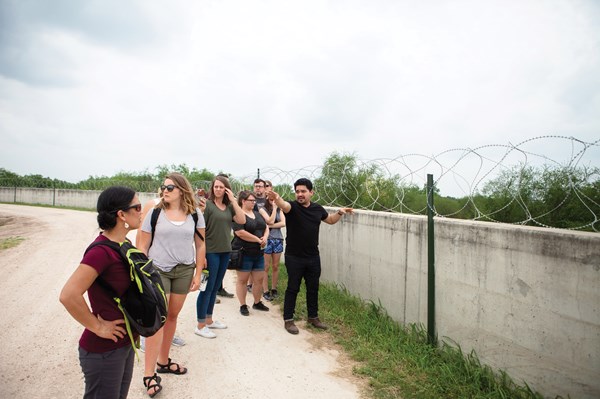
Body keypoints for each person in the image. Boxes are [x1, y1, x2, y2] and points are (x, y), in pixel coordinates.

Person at [60, 186, 143, 398]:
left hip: (124, 344)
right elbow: (69, 295)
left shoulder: (124, 243)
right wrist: (97, 326)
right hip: (104, 350)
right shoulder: (101, 252)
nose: (141, 212)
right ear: (121, 214)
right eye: (138, 207)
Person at [137, 172, 206, 397]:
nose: (164, 191)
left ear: (182, 190)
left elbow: (200, 245)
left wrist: (198, 273)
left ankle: (163, 361)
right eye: (163, 187)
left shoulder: (194, 214)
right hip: (158, 270)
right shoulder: (155, 213)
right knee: (158, 319)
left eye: (169, 188)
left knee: (173, 316)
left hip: (184, 270)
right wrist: (142, 275)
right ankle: (149, 374)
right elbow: (142, 246)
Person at [267, 178, 353, 335]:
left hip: (313, 257)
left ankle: (313, 317)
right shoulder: (292, 207)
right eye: (297, 191)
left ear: (311, 192)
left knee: (313, 288)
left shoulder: (317, 209)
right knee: (293, 288)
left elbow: (331, 220)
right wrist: (277, 198)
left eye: (303, 191)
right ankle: (288, 319)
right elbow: (283, 205)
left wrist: (340, 212)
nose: (300, 194)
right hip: (294, 257)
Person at [194, 175, 245, 338]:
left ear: (226, 189)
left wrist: (234, 201)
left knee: (215, 288)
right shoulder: (207, 205)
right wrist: (201, 256)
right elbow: (199, 231)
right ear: (212, 188)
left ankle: (209, 320)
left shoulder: (229, 207)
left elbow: (242, 219)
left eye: (221, 187)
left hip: (225, 251)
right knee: (206, 288)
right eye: (216, 187)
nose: (218, 189)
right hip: (210, 252)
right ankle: (200, 325)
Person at [136, 194, 186, 351]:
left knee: (171, 309)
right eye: (165, 187)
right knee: (155, 303)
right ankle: (146, 336)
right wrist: (141, 261)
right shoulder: (153, 205)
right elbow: (141, 233)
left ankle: (167, 335)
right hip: (155, 261)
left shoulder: (182, 209)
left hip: (175, 264)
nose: (167, 191)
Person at [232, 190, 271, 316]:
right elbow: (240, 232)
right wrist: (256, 240)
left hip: (258, 253)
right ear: (243, 201)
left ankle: (257, 302)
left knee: (259, 279)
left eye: (254, 200)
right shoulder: (238, 215)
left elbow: (266, 227)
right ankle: (243, 305)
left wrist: (265, 237)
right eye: (251, 200)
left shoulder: (257, 213)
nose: (254, 202)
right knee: (242, 280)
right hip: (244, 252)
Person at [262, 188, 285, 301]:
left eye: (273, 197)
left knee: (275, 266)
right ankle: (265, 290)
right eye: (269, 197)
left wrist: (268, 226)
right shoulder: (263, 209)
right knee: (265, 267)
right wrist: (274, 209)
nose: (271, 199)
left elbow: (283, 223)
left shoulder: (280, 210)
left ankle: (274, 288)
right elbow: (270, 220)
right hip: (267, 240)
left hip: (278, 239)